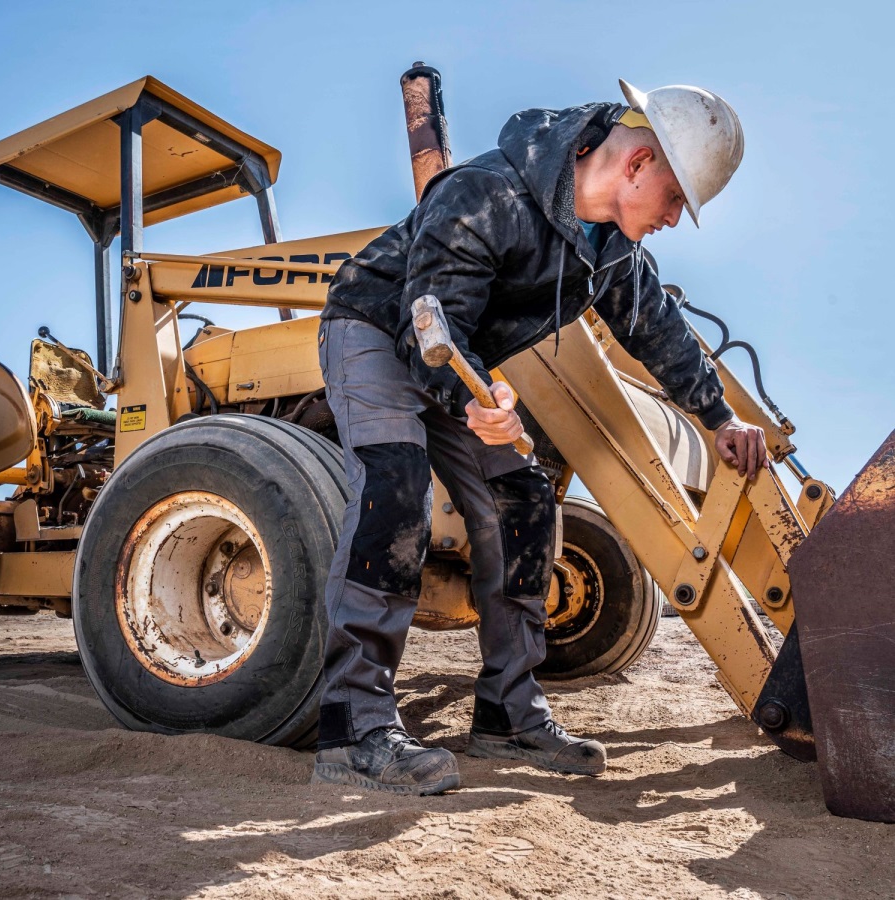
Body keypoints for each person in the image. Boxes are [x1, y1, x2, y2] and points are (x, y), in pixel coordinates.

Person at [310, 80, 768, 795]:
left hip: (453, 354)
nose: (675, 218)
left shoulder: (611, 249)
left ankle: (507, 716)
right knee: (395, 488)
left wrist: (720, 420)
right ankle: (353, 728)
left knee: (524, 500)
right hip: (376, 326)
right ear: (638, 162)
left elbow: (658, 330)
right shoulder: (485, 193)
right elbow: (429, 322)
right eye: (677, 198)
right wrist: (472, 398)